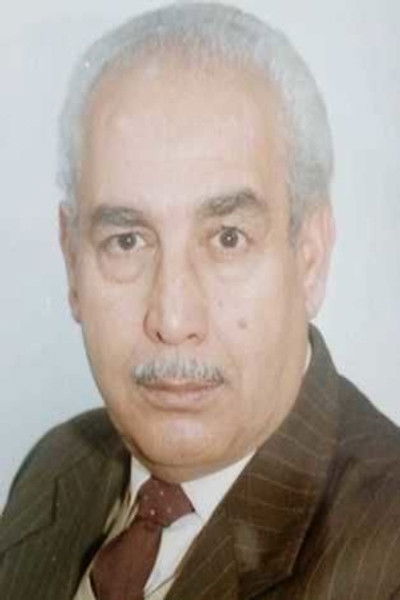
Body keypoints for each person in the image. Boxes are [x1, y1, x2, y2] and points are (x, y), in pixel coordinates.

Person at [1, 3, 400, 599]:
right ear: (72, 261)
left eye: (228, 238)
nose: (172, 319)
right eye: (127, 240)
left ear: (310, 256)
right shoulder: (58, 466)